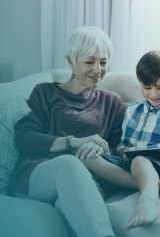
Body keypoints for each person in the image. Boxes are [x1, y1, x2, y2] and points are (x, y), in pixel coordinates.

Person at [9, 26, 126, 237]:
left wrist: (100, 149)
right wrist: (74, 142)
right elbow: (24, 138)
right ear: (70, 61)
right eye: (89, 61)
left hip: (88, 180)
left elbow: (117, 149)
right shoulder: (45, 92)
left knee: (70, 211)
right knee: (69, 163)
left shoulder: (112, 102)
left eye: (103, 62)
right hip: (40, 173)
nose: (98, 69)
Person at [82, 50, 160, 229]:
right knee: (85, 155)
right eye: (147, 87)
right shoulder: (131, 111)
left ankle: (149, 203)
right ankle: (155, 185)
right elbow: (122, 143)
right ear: (140, 83)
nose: (153, 94)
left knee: (140, 160)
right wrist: (122, 152)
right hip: (129, 161)